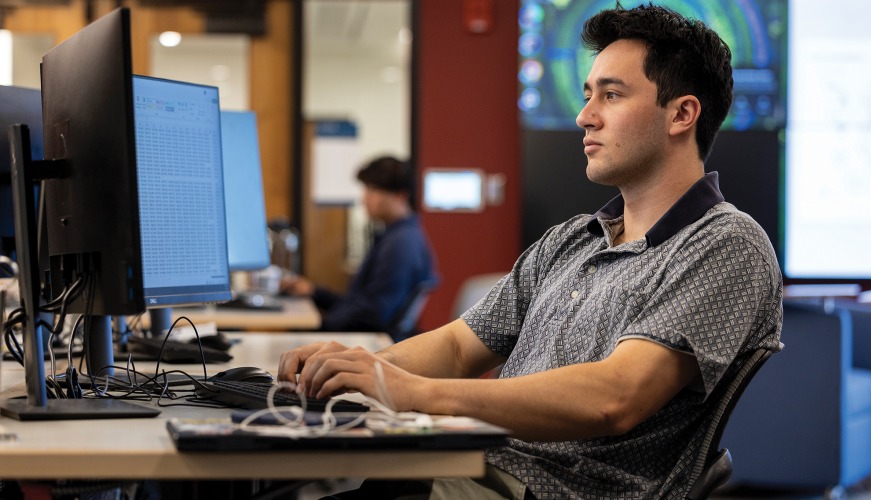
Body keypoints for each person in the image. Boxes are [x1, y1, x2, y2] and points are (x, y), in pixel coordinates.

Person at [277, 5, 783, 499]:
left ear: (682, 114)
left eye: (611, 95)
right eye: (588, 95)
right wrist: (353, 370)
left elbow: (616, 396)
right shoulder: (570, 241)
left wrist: (410, 391)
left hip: (554, 488)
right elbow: (457, 348)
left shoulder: (726, 244)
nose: (585, 116)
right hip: (473, 467)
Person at [281, 156, 438, 337]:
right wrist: (315, 292)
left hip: (369, 343)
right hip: (363, 335)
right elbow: (360, 303)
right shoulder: (398, 236)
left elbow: (373, 314)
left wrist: (322, 327)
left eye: (372, 191)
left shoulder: (400, 245)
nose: (364, 199)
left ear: (400, 196)